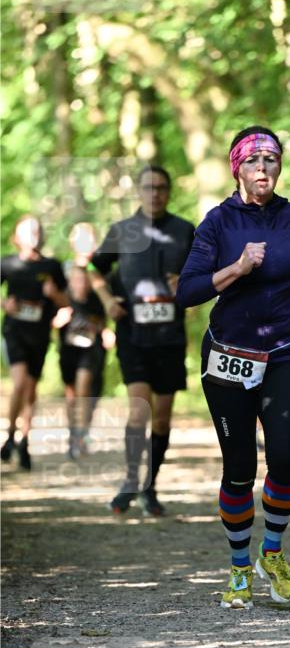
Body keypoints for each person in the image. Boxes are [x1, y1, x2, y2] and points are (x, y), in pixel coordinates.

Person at [177, 125, 290, 610]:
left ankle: (271, 554)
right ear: (238, 168)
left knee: (286, 460)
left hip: (286, 351)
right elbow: (187, 292)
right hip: (229, 354)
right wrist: (237, 269)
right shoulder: (218, 223)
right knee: (239, 468)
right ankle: (237, 569)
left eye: (272, 159)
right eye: (254, 160)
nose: (263, 168)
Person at [90, 165, 195, 516]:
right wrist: (107, 301)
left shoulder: (184, 231)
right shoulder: (121, 231)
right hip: (133, 335)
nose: (156, 193)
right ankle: (130, 480)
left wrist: (187, 283)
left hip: (170, 337)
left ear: (169, 191)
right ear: (139, 191)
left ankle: (150, 486)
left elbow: (205, 275)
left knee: (162, 418)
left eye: (162, 187)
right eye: (149, 187)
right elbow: (93, 271)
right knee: (139, 411)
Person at [1, 216, 68, 470]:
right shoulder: (6, 264)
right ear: (16, 238)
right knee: (19, 384)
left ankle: (24, 440)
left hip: (39, 335)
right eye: (27, 231)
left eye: (37, 230)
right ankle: (9, 434)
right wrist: (4, 304)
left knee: (30, 390)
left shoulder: (52, 266)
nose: (33, 235)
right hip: (14, 331)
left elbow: (66, 303)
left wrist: (55, 295)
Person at [56, 223, 108, 459]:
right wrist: (57, 316)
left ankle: (82, 434)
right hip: (68, 340)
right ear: (72, 242)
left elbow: (111, 301)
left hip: (94, 339)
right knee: (72, 393)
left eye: (90, 239)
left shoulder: (103, 269)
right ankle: (74, 436)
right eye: (81, 239)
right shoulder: (64, 270)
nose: (86, 243)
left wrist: (107, 329)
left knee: (86, 388)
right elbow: (54, 301)